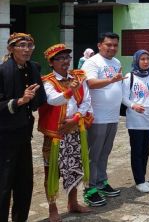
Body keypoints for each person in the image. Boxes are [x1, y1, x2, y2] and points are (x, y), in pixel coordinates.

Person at [39, 44, 93, 220]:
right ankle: (52, 208)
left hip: (75, 128)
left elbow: (86, 101)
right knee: (52, 170)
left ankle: (73, 202)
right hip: (56, 132)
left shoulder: (78, 76)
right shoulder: (47, 80)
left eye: (67, 58)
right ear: (51, 62)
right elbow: (53, 100)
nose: (65, 61)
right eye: (60, 58)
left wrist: (76, 119)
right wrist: (71, 90)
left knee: (75, 166)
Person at [0, 33, 47, 222]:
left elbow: (40, 99)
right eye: (21, 45)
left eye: (30, 45)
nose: (27, 49)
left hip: (24, 133)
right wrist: (20, 101)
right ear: (11, 49)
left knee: (24, 182)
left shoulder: (33, 68)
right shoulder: (2, 71)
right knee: (4, 184)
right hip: (4, 136)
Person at [81, 32, 123, 206]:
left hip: (112, 116)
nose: (112, 48)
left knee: (105, 152)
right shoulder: (92, 62)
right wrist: (111, 79)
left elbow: (118, 84)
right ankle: (89, 189)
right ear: (99, 45)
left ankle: (101, 182)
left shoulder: (117, 62)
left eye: (115, 45)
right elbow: (91, 83)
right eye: (108, 44)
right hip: (97, 117)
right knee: (93, 154)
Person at [122, 50, 149, 193]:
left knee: (146, 150)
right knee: (137, 151)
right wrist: (133, 106)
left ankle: (143, 177)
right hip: (136, 120)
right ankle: (139, 181)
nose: (145, 61)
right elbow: (123, 98)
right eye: (142, 59)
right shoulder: (129, 77)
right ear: (136, 60)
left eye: (147, 59)